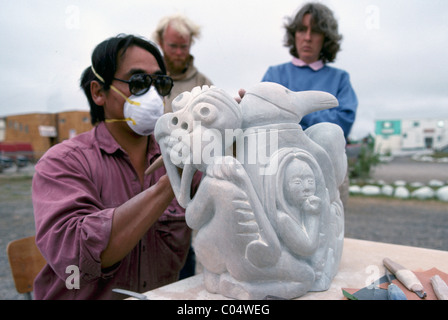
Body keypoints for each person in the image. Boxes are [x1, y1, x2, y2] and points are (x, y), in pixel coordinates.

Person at [32, 34, 199, 299]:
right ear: (98, 92)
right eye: (139, 82)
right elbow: (78, 255)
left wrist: (242, 132)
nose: (154, 96)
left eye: (160, 83)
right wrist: (171, 181)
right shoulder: (63, 162)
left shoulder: (180, 153)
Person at [261, 2, 358, 140]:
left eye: (316, 31)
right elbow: (261, 119)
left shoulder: (340, 78)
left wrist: (290, 112)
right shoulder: (274, 74)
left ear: (325, 38)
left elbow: (343, 124)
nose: (307, 37)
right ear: (294, 35)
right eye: (302, 29)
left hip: (324, 159)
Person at [153, 13, 213, 113]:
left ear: (190, 44)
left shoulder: (203, 85)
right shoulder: (148, 80)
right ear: (160, 42)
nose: (179, 52)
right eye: (173, 46)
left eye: (184, 46)